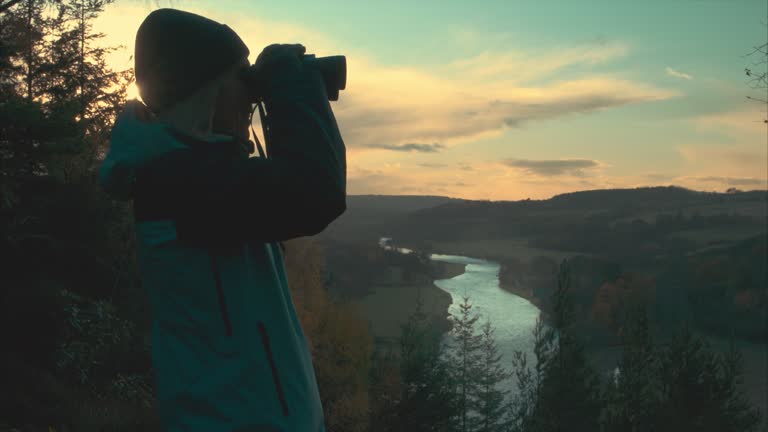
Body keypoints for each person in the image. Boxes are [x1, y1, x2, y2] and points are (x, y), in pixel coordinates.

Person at [98, 8, 346, 431]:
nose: (250, 96)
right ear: (205, 93)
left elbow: (299, 189)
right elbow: (316, 192)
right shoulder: (179, 184)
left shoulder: (193, 178)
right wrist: (290, 83)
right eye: (241, 79)